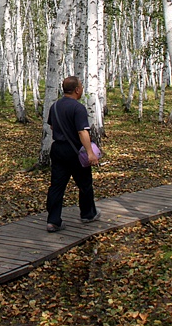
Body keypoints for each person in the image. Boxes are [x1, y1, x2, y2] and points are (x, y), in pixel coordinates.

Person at [45, 76, 100, 232]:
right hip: (75, 152)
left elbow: (52, 128)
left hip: (58, 150)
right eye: (81, 86)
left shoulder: (54, 107)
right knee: (84, 183)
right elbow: (82, 131)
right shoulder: (78, 108)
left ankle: (53, 221)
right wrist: (90, 153)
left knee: (56, 186)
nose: (82, 89)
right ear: (77, 90)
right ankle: (88, 214)